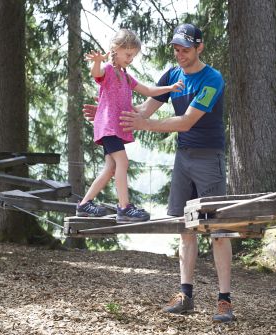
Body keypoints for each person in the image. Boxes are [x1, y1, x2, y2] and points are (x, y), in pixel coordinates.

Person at [84, 23, 235, 323]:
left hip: (209, 159)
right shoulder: (172, 75)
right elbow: (142, 110)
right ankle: (185, 295)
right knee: (184, 228)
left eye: (186, 50)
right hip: (183, 160)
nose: (180, 55)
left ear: (199, 48)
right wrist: (106, 110)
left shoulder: (212, 79)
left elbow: (187, 121)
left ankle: (224, 300)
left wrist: (146, 125)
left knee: (217, 231)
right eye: (176, 49)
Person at [76, 29, 184, 223]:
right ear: (115, 50)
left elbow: (148, 90)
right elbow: (96, 73)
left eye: (133, 56)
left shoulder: (126, 77)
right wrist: (98, 60)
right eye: (128, 55)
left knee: (111, 168)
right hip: (108, 127)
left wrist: (169, 88)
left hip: (115, 128)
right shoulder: (108, 70)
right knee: (122, 162)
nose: (130, 59)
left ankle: (84, 204)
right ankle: (124, 207)